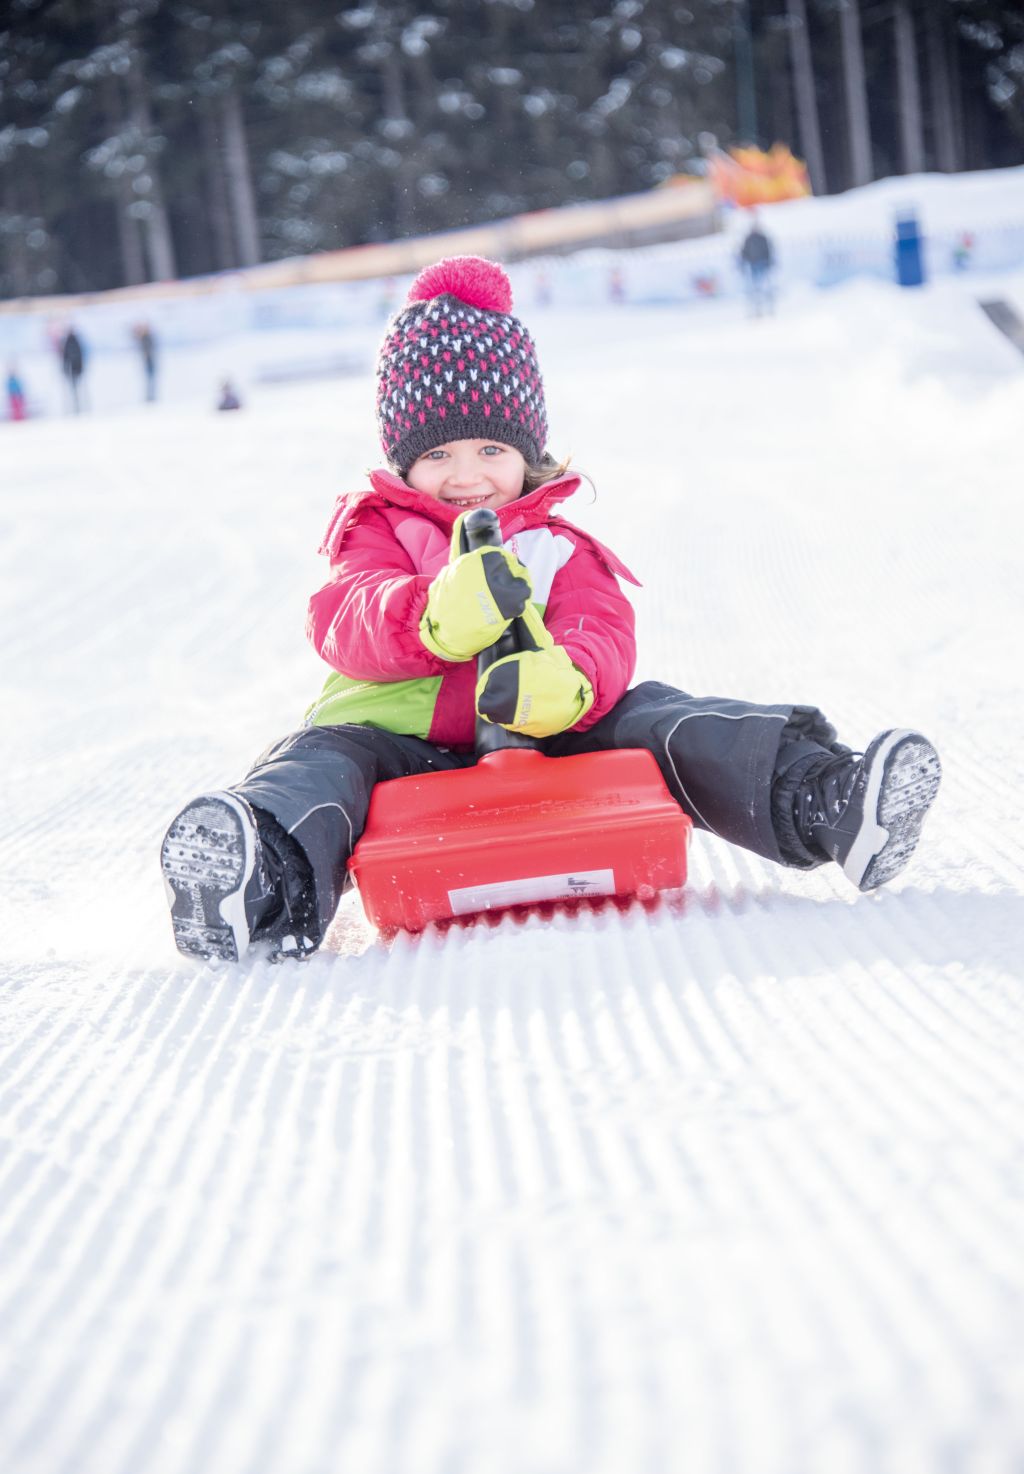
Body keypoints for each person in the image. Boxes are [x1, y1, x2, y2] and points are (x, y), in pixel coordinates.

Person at [161, 255, 941, 963]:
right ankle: (253, 887)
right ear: (404, 460)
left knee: (660, 717)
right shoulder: (374, 530)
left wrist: (568, 684)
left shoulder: (559, 546)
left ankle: (828, 801)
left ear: (526, 451)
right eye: (438, 455)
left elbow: (603, 632)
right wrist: (433, 617)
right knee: (319, 766)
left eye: (490, 451)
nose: (467, 475)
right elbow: (345, 616)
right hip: (396, 741)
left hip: (547, 735)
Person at [738, 212, 776, 317]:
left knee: (765, 286)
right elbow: (744, 251)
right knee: (755, 287)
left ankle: (769, 306)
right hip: (753, 264)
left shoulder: (762, 238)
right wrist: (743, 262)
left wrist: (769, 261)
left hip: (762, 263)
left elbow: (768, 250)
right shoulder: (748, 239)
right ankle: (757, 308)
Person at [61, 326, 86, 412]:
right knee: (74, 388)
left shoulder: (75, 342)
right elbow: (65, 357)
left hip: (75, 368)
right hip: (72, 369)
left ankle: (80, 404)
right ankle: (75, 405)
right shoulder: (68, 342)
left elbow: (80, 356)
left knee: (78, 387)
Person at [133, 322, 158, 402]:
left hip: (149, 361)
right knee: (149, 379)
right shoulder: (145, 338)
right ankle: (150, 396)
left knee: (150, 379)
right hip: (148, 361)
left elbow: (149, 350)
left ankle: (150, 396)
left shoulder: (146, 338)